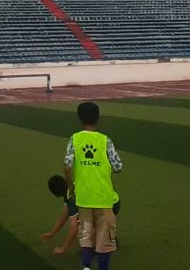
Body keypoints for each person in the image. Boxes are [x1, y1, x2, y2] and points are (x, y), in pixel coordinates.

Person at [64, 101, 122, 270]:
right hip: (103, 197)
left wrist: (71, 186)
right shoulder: (105, 141)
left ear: (79, 118)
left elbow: (67, 166)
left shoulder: (75, 139)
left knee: (86, 235)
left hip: (83, 197)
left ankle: (86, 267)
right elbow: (118, 166)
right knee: (105, 239)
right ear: (98, 118)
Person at [43, 174, 121, 257]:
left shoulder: (72, 198)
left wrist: (63, 249)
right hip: (112, 200)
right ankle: (107, 236)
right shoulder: (71, 188)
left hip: (110, 204)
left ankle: (101, 247)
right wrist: (52, 232)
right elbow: (64, 214)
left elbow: (74, 228)